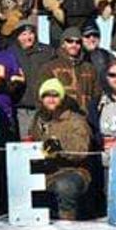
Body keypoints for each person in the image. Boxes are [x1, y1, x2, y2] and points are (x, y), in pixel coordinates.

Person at [28, 78, 93, 220]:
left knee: (65, 186)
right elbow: (31, 139)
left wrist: (61, 146)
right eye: (46, 95)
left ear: (61, 97)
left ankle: (67, 222)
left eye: (55, 95)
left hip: (72, 171)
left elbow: (82, 149)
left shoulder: (75, 120)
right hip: (44, 170)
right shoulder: (39, 119)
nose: (51, 99)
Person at [40, 23, 102, 116]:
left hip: (86, 119)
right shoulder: (50, 67)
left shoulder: (89, 68)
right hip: (59, 118)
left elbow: (97, 94)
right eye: (70, 41)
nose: (74, 44)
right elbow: (41, 96)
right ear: (63, 43)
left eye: (78, 42)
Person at [11, 20, 55, 138]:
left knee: (44, 141)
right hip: (22, 107)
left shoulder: (46, 52)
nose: (28, 37)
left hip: (42, 106)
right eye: (23, 34)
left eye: (31, 33)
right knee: (26, 142)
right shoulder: (12, 53)